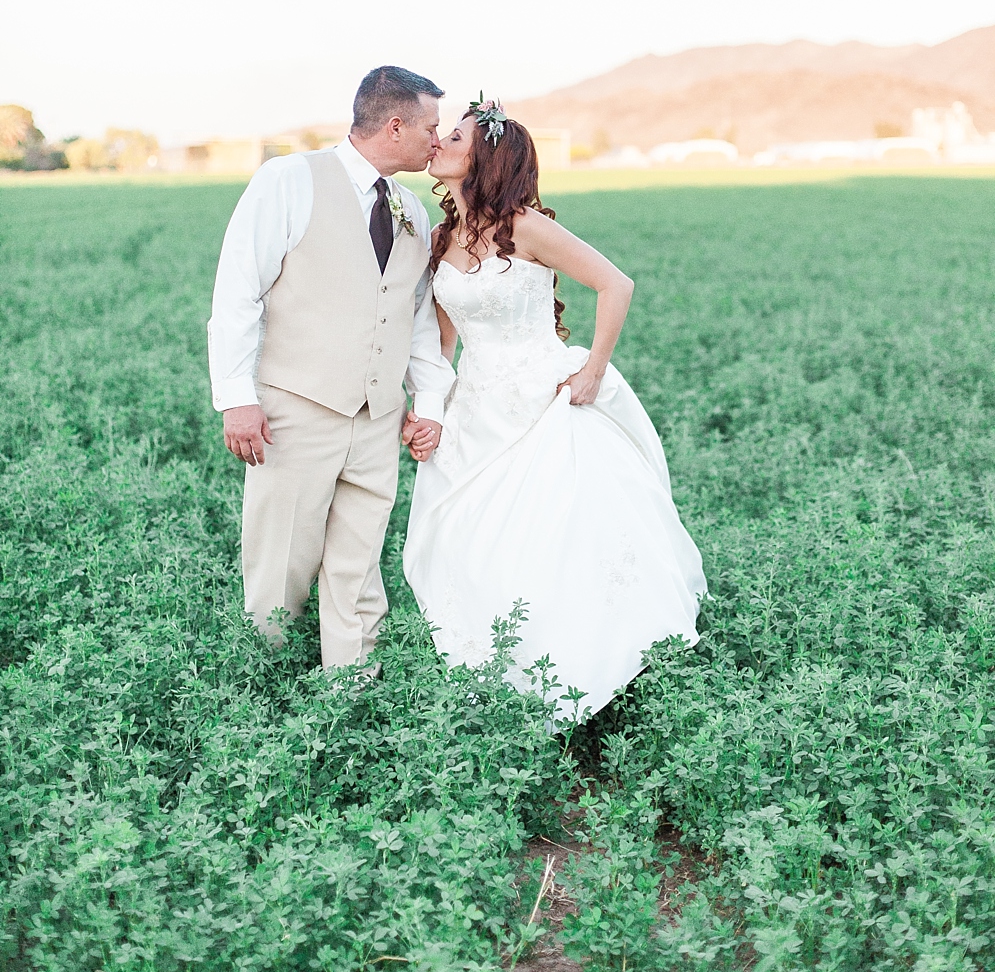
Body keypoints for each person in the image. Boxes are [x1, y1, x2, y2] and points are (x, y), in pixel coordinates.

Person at [403, 99, 707, 718]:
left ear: (481, 155)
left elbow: (615, 283)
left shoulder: (525, 226)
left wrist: (592, 368)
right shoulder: (441, 238)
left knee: (559, 535)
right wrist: (429, 408)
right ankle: (500, 669)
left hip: (543, 396)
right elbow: (441, 341)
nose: (438, 141)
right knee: (474, 541)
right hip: (477, 407)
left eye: (453, 135)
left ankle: (593, 669)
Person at [208, 66, 453, 671]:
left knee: (359, 563)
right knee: (281, 561)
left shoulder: (411, 211)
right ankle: (261, 685)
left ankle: (351, 689)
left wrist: (428, 403)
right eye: (430, 127)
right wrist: (236, 397)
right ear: (394, 125)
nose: (436, 140)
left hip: (377, 418)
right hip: (294, 411)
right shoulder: (288, 180)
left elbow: (416, 317)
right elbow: (238, 292)